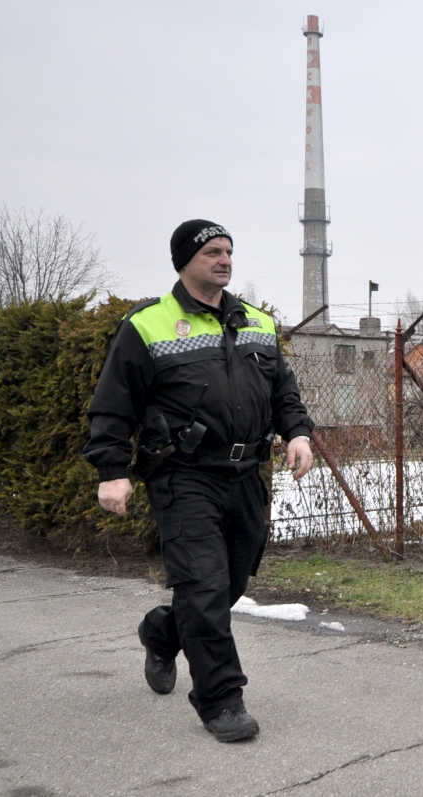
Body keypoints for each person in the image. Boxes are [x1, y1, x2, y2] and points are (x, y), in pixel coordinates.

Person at [83, 220, 315, 742]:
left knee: (228, 583)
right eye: (212, 251)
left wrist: (296, 432)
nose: (224, 259)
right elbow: (114, 406)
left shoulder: (256, 321)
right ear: (184, 260)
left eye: (229, 250)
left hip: (245, 473)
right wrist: (111, 471)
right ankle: (222, 700)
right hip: (183, 476)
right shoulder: (148, 324)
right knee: (204, 586)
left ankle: (163, 633)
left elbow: (284, 392)